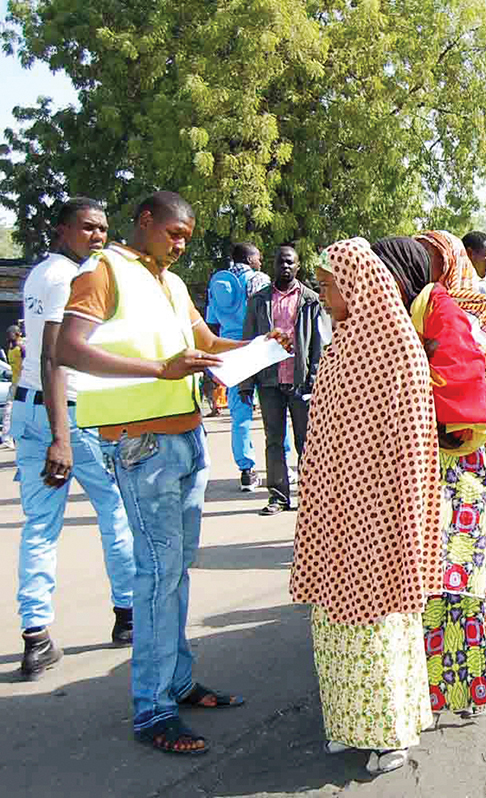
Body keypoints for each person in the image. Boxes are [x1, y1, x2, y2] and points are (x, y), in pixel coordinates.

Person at [57, 191, 288, 756]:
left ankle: (177, 682)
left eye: (188, 236)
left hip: (183, 437)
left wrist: (256, 345)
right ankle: (152, 709)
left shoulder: (173, 282)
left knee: (177, 569)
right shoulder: (104, 270)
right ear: (144, 223)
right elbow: (68, 348)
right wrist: (160, 370)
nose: (181, 244)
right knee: (158, 574)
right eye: (173, 233)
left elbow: (205, 344)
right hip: (140, 442)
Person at [292, 238, 439, 775]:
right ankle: (348, 723)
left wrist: (397, 519)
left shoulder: (397, 350)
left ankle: (391, 732)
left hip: (378, 516)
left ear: (357, 287)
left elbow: (410, 448)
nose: (325, 294)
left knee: (376, 623)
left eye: (330, 285)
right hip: (335, 510)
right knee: (334, 620)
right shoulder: (343, 342)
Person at [370, 235, 486, 719]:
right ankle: (422, 690)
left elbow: (461, 381)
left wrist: (410, 385)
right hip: (420, 467)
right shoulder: (404, 313)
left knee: (454, 583)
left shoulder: (439, 310)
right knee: (421, 586)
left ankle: (464, 692)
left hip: (452, 467)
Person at [14, 197, 136, 681]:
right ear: (62, 230)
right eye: (88, 228)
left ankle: (36, 635)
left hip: (32, 410)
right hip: (66, 416)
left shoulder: (41, 274)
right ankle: (127, 615)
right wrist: (61, 438)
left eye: (103, 229)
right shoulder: (67, 277)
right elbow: (53, 358)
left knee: (40, 526)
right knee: (115, 511)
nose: (99, 236)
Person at [413, 230, 486, 699]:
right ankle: (433, 666)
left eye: (433, 261)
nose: (427, 271)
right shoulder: (408, 307)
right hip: (425, 454)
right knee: (433, 569)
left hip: (475, 454)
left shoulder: (484, 312)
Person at [239, 245, 325, 515]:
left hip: (301, 382)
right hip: (269, 381)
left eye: (291, 263)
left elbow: (319, 344)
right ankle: (278, 496)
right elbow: (249, 340)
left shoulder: (311, 300)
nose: (285, 267)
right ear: (273, 265)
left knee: (307, 442)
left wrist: (315, 376)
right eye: (281, 262)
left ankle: (311, 498)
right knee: (273, 439)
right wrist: (246, 383)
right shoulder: (259, 300)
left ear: (298, 266)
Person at [205, 242, 272, 491]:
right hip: (256, 347)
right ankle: (282, 464)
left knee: (239, 414)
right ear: (250, 258)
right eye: (258, 256)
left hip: (229, 349)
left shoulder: (218, 283)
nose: (261, 260)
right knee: (272, 408)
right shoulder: (258, 279)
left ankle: (246, 471)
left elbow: (211, 321)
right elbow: (267, 314)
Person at [3, 324, 25, 446]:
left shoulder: (15, 348)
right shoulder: (17, 348)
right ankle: (9, 437)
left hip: (19, 383)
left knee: (11, 411)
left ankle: (9, 437)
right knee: (13, 411)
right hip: (19, 383)